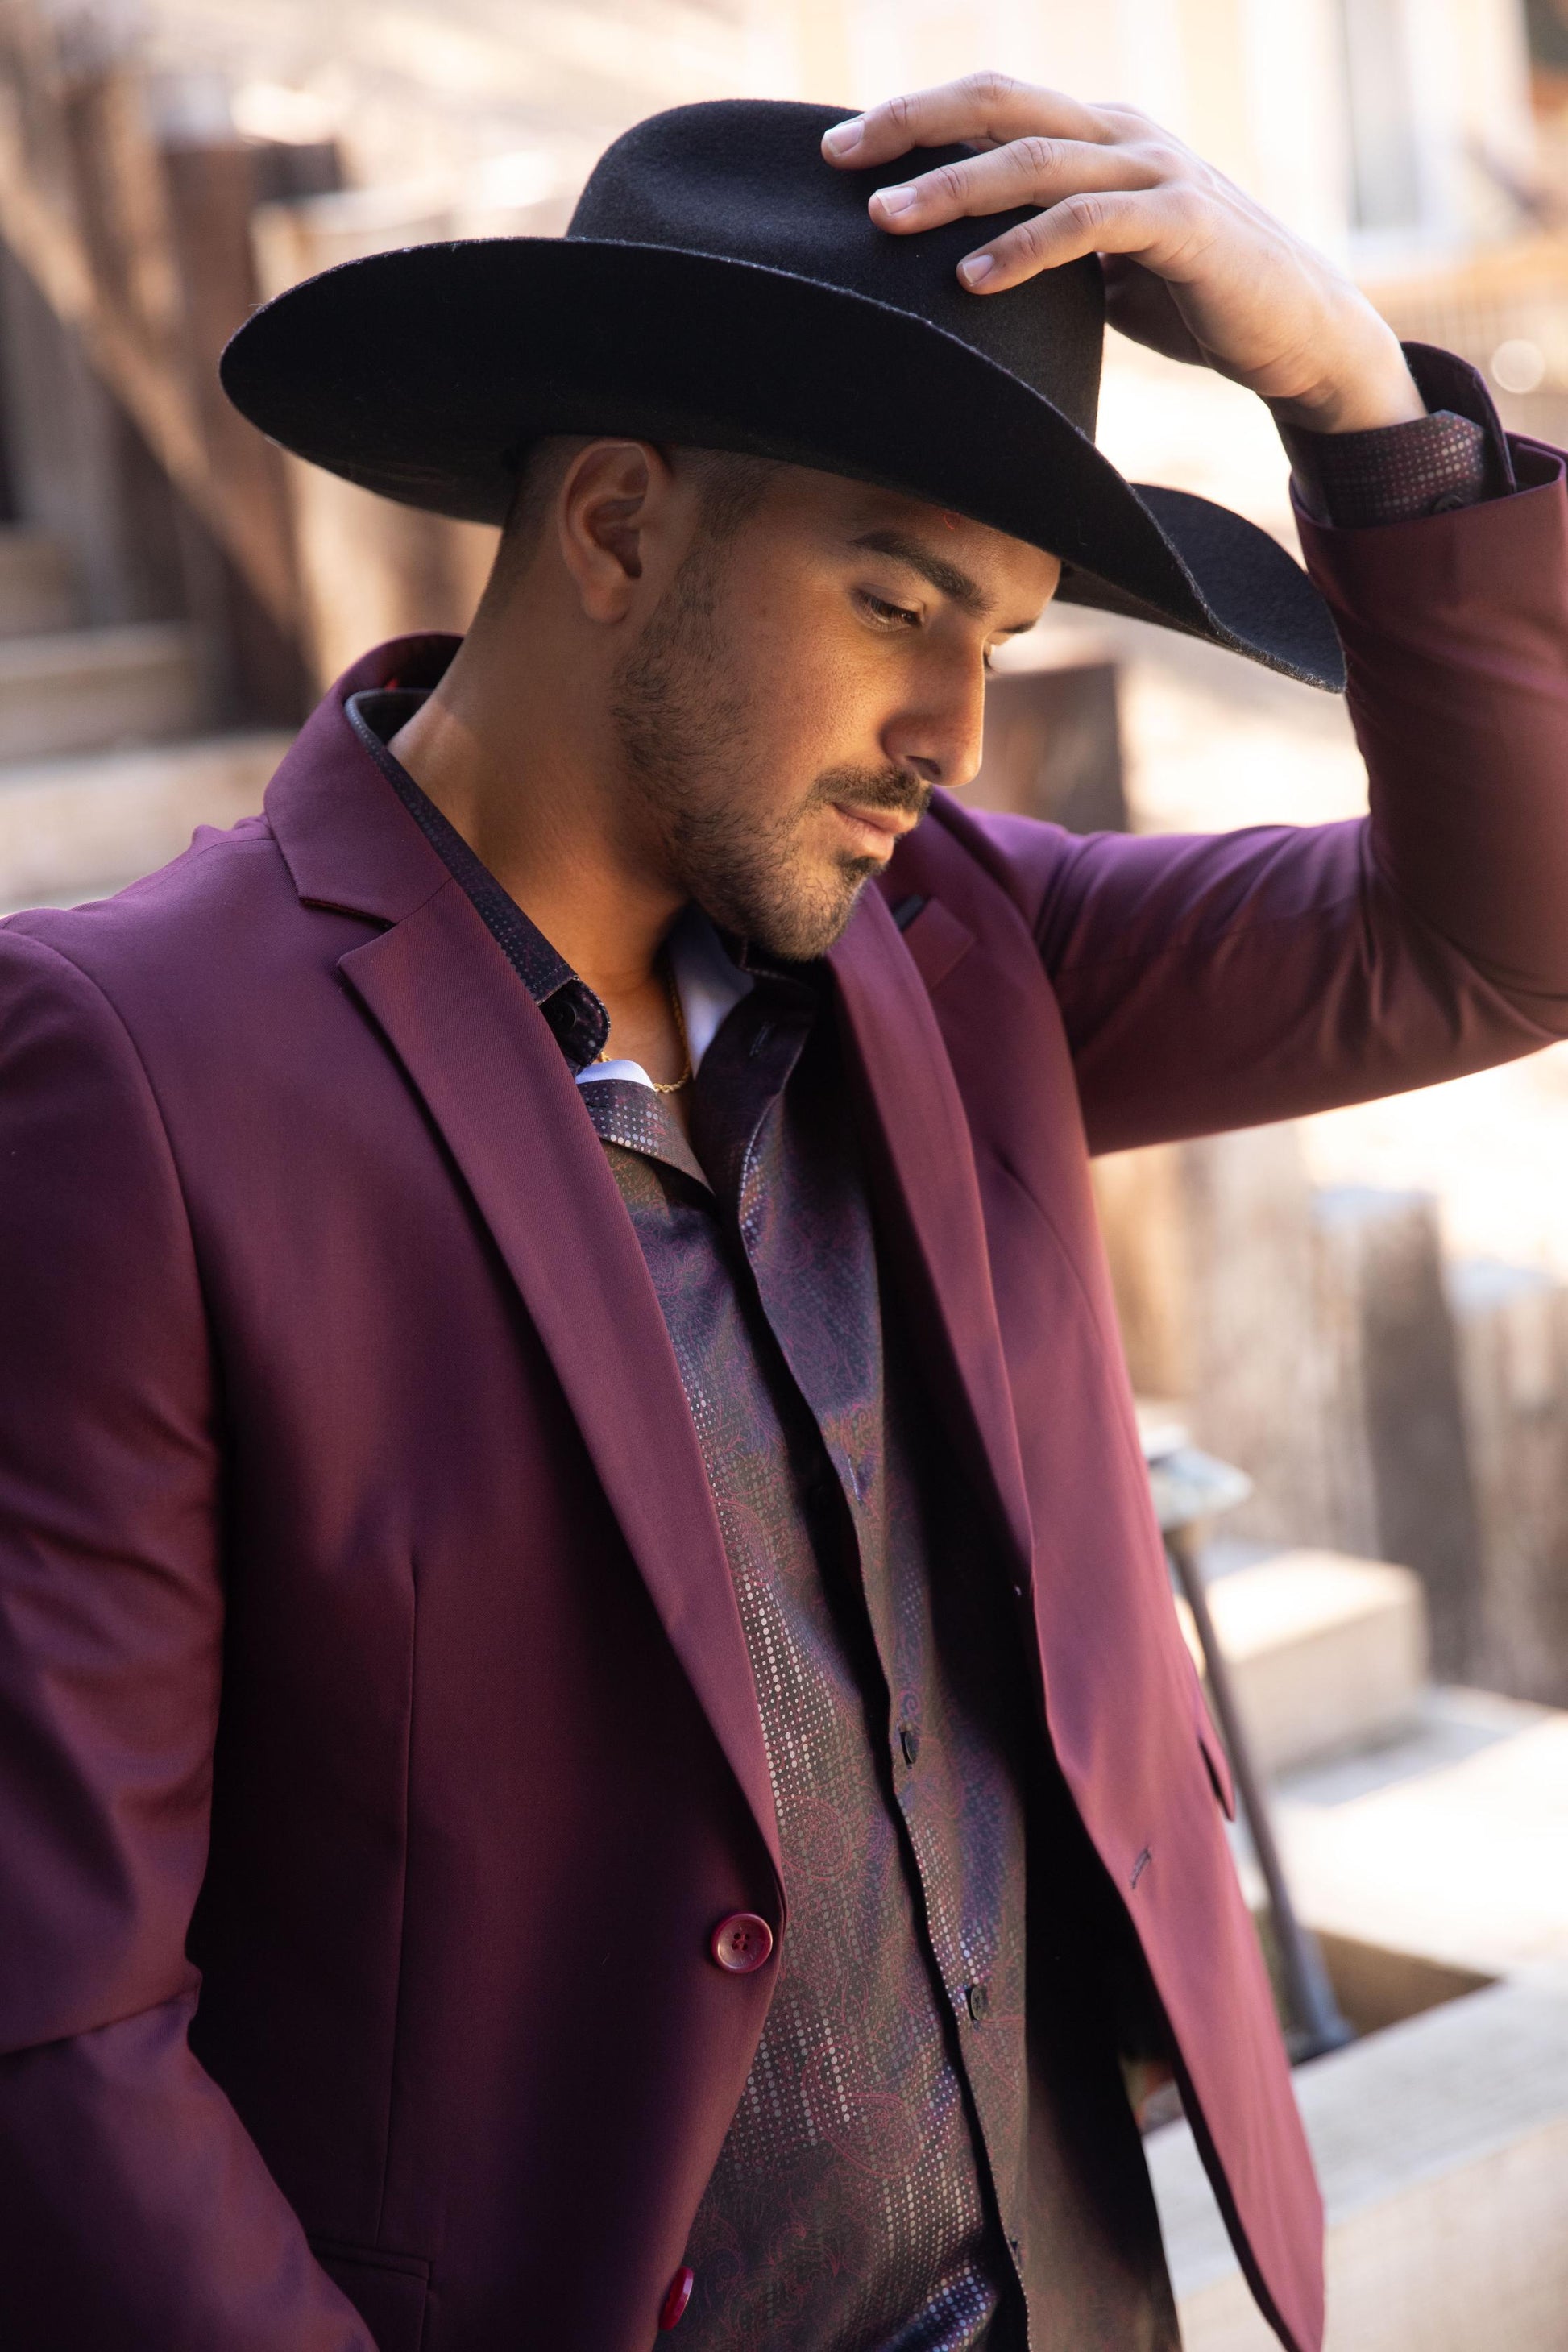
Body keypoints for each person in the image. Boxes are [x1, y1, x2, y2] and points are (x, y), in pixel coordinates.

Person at [2, 75, 1565, 2352]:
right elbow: (62, 2026)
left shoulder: (954, 948)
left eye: (1001, 641)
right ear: (616, 526)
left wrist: (1357, 406)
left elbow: (1500, 942)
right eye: (896, 601)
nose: (952, 723)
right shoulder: (128, 1068)